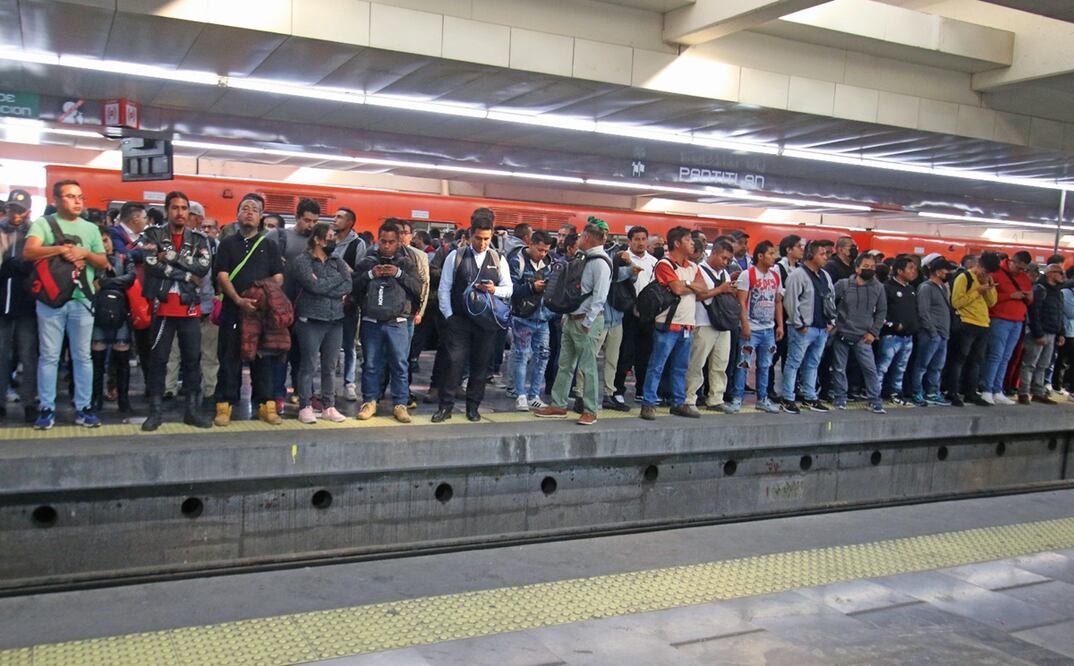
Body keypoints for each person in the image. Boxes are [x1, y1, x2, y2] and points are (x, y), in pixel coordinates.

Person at [23, 180, 109, 429]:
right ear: (56, 200)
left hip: (82, 299)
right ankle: (47, 407)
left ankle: (84, 407)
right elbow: (29, 252)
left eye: (80, 196)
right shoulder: (43, 224)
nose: (77, 201)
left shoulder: (90, 228)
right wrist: (61, 249)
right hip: (51, 300)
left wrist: (85, 254)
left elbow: (103, 261)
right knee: (49, 356)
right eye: (71, 196)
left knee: (83, 357)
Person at [139, 191, 213, 431]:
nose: (180, 213)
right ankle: (155, 412)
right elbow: (151, 264)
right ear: (166, 210)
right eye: (175, 208)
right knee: (158, 360)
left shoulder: (199, 238)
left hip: (189, 307)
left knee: (192, 360)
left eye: (184, 208)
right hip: (162, 307)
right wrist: (186, 275)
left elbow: (203, 267)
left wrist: (170, 256)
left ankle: (192, 411)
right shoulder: (153, 234)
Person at [212, 193, 286, 426]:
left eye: (254, 209)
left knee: (263, 361)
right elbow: (222, 275)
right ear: (237, 214)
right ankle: (225, 405)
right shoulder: (227, 244)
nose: (249, 212)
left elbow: (278, 276)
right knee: (229, 359)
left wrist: (263, 296)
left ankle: (265, 405)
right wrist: (237, 300)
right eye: (245, 208)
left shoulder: (269, 245)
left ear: (261, 216)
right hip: (232, 311)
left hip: (260, 314)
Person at [433, 208, 513, 422]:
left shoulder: (498, 259)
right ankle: (445, 406)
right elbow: (444, 288)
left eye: (486, 239)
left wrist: (494, 290)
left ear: (492, 236)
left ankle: (473, 407)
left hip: (486, 323)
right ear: (470, 235)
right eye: (478, 238)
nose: (482, 243)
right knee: (453, 365)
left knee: (480, 366)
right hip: (459, 321)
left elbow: (508, 289)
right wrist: (449, 316)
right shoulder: (456, 256)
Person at [533, 223, 613, 425]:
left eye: (581, 236)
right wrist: (567, 315)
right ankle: (558, 404)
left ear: (588, 238)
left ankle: (590, 410)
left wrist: (588, 321)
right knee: (565, 364)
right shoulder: (585, 258)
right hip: (572, 318)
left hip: (586, 322)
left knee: (587, 367)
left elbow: (600, 296)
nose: (578, 240)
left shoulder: (600, 263)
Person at [352, 221, 423, 422]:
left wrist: (398, 274)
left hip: (398, 321)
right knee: (371, 364)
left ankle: (400, 404)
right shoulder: (367, 262)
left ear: (399, 241)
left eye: (391, 242)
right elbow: (353, 287)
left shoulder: (407, 263)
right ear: (378, 239)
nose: (386, 245)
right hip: (371, 321)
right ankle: (369, 401)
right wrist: (370, 275)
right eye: (383, 241)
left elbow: (418, 288)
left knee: (400, 365)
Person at [639, 226, 706, 420]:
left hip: (687, 324)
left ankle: (678, 402)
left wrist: (685, 284)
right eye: (688, 240)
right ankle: (648, 403)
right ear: (677, 243)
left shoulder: (693, 266)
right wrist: (689, 285)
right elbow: (676, 289)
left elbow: (702, 288)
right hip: (667, 323)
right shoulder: (665, 264)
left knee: (680, 367)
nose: (692, 243)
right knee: (657, 365)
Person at [289, 222, 350, 424]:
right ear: (317, 239)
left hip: (335, 320)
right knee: (308, 365)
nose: (333, 241)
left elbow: (348, 284)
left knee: (329, 366)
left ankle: (328, 406)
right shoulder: (302, 261)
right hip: (310, 321)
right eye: (330, 237)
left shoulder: (337, 260)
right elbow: (313, 286)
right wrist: (335, 281)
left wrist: (324, 285)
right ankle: (305, 406)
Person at [727, 240, 784, 414]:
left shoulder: (775, 276)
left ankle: (762, 399)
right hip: (751, 329)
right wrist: (745, 325)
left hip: (768, 329)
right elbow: (742, 302)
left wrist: (780, 325)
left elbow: (778, 301)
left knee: (765, 365)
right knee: (743, 364)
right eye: (770, 253)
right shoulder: (747, 275)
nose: (773, 257)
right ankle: (737, 398)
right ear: (760, 256)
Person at [780, 239, 836, 414]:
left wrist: (831, 322)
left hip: (821, 327)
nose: (826, 257)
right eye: (822, 254)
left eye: (826, 254)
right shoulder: (798, 275)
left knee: (813, 363)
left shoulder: (825, 276)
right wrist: (799, 324)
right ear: (811, 255)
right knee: (794, 362)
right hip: (803, 328)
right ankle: (787, 398)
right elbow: (790, 301)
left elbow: (831, 298)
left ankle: (809, 396)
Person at [0, 189, 38, 423]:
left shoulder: (35, 232)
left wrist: (24, 269)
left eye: (20, 210)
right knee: (1, 355)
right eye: (12, 209)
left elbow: (38, 264)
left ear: (28, 212)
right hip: (1, 303)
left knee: (28, 355)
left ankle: (29, 402)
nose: (15, 214)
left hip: (27, 304)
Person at [831, 254, 887, 414]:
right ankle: (840, 397)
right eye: (866, 266)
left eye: (873, 267)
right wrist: (834, 324)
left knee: (870, 369)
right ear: (857, 268)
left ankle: (875, 400)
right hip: (842, 333)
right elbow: (829, 302)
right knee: (839, 368)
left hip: (864, 336)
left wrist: (873, 332)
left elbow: (882, 311)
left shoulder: (879, 288)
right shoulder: (843, 284)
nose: (870, 270)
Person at [684, 240, 736, 413]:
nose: (725, 262)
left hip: (723, 324)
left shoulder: (725, 274)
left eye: (728, 259)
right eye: (723, 258)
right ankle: (689, 398)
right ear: (713, 253)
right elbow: (697, 296)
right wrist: (720, 290)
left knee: (720, 364)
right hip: (703, 322)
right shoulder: (698, 270)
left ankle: (716, 398)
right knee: (696, 363)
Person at [507, 230, 553, 411]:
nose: (543, 254)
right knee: (522, 355)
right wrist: (532, 288)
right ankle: (520, 394)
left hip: (543, 317)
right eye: (540, 249)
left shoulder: (549, 264)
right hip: (523, 317)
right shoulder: (517, 261)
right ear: (531, 244)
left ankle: (534, 395)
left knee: (542, 356)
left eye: (546, 250)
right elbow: (510, 289)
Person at [89, 233, 135, 415]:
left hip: (118, 311)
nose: (104, 245)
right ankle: (96, 398)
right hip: (100, 311)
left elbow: (130, 278)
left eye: (106, 240)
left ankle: (123, 400)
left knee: (122, 359)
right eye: (100, 241)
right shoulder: (93, 259)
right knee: (97, 360)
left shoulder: (123, 257)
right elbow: (127, 279)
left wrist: (104, 282)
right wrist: (115, 283)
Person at [980, 251, 1033, 405]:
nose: (1021, 271)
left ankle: (998, 390)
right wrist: (1010, 296)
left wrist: (1029, 297)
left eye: (1024, 269)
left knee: (1006, 357)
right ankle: (987, 389)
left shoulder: (1024, 278)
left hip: (1018, 321)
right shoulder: (996, 274)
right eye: (1019, 267)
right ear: (1011, 261)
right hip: (999, 319)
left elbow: (1030, 300)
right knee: (995, 355)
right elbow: (988, 297)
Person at [613, 226, 658, 404]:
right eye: (637, 239)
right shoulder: (621, 259)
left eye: (643, 239)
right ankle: (618, 389)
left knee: (645, 354)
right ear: (629, 241)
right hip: (627, 312)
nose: (640, 243)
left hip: (647, 314)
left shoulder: (654, 262)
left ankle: (641, 390)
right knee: (625, 353)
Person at [948, 251, 999, 406]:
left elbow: (992, 302)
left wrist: (988, 289)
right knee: (959, 360)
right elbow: (956, 302)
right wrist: (977, 291)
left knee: (976, 361)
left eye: (990, 272)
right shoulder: (964, 278)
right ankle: (952, 391)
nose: (987, 274)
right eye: (986, 270)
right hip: (966, 323)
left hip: (983, 323)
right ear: (979, 265)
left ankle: (970, 392)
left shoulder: (988, 279)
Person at [332, 206, 367, 402]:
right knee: (329, 345)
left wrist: (340, 263)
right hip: (327, 301)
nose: (334, 220)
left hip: (348, 302)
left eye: (339, 217)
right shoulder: (328, 240)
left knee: (349, 344)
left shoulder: (357, 244)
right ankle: (329, 385)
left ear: (350, 222)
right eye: (335, 216)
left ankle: (349, 383)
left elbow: (359, 274)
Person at [911, 257, 955, 407]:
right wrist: (932, 332)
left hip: (942, 334)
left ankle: (932, 392)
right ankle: (917, 392)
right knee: (922, 365)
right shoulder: (926, 288)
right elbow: (923, 311)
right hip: (930, 334)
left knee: (937, 367)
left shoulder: (942, 287)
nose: (949, 273)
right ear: (937, 272)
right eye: (946, 270)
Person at [1019, 263, 1065, 405]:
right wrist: (1038, 333)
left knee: (1043, 365)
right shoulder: (1040, 289)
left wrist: (1061, 332)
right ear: (1049, 273)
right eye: (1059, 272)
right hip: (1039, 332)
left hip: (1052, 332)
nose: (1062, 276)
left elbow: (1060, 313)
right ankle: (1023, 392)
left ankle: (1038, 392)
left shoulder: (1057, 292)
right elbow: (1034, 312)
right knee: (1030, 363)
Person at [876, 256, 920, 403]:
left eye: (915, 269)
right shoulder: (886, 288)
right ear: (900, 271)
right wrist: (893, 325)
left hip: (908, 336)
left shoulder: (911, 289)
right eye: (910, 268)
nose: (914, 272)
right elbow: (880, 312)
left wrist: (915, 325)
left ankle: (895, 393)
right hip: (891, 336)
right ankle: (875, 394)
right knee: (882, 367)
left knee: (901, 368)